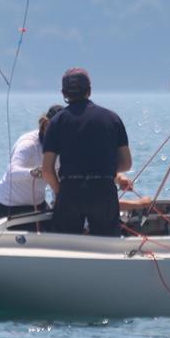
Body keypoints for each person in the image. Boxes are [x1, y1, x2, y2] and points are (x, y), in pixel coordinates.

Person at [41, 67, 134, 236]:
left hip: (70, 191)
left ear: (64, 93)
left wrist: (60, 192)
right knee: (108, 248)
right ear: (89, 90)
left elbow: (47, 170)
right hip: (103, 190)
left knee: (66, 248)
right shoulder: (112, 118)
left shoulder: (56, 122)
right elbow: (126, 164)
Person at [0, 104, 63, 230]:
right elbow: (11, 173)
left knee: (58, 230)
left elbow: (57, 178)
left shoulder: (61, 146)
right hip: (11, 205)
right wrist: (34, 172)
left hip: (38, 203)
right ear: (46, 124)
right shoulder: (28, 144)